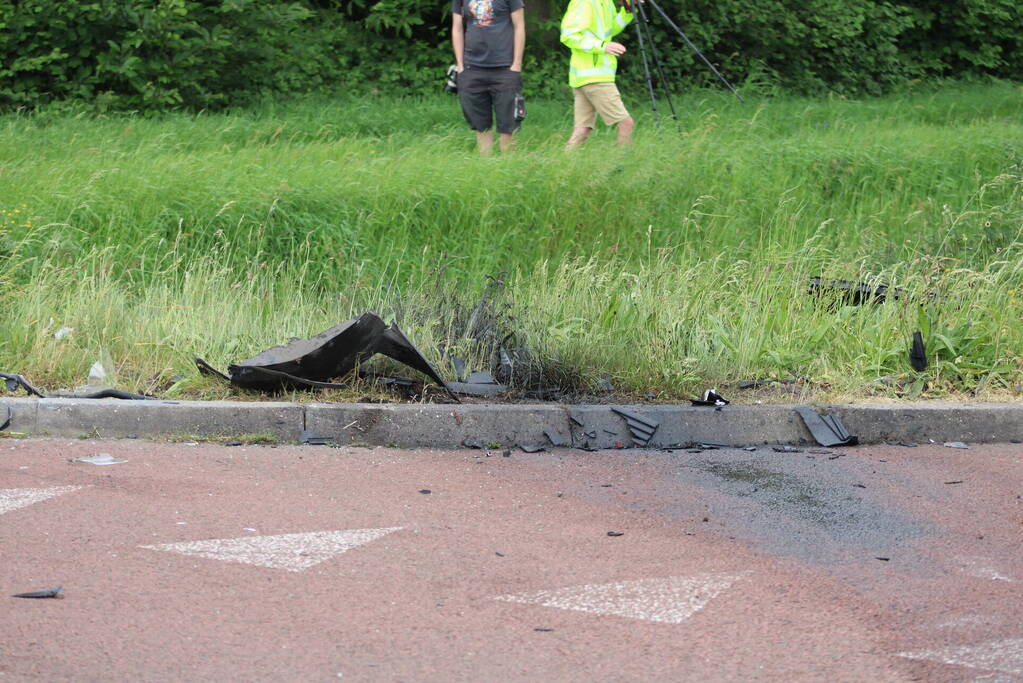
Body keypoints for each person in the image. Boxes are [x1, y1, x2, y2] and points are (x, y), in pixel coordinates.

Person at [560, 0, 637, 150]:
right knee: (626, 123)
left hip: (589, 76)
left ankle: (561, 165)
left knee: (582, 130)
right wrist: (602, 46)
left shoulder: (606, 2)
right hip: (594, 77)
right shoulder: (583, 2)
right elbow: (568, 35)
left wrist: (628, 8)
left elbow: (611, 29)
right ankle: (622, 165)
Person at [451, 0, 525, 155]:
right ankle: (486, 164)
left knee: (508, 125)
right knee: (480, 125)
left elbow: (519, 26)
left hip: (505, 68)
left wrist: (516, 64)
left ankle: (509, 165)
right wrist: (460, 65)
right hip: (472, 68)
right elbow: (457, 28)